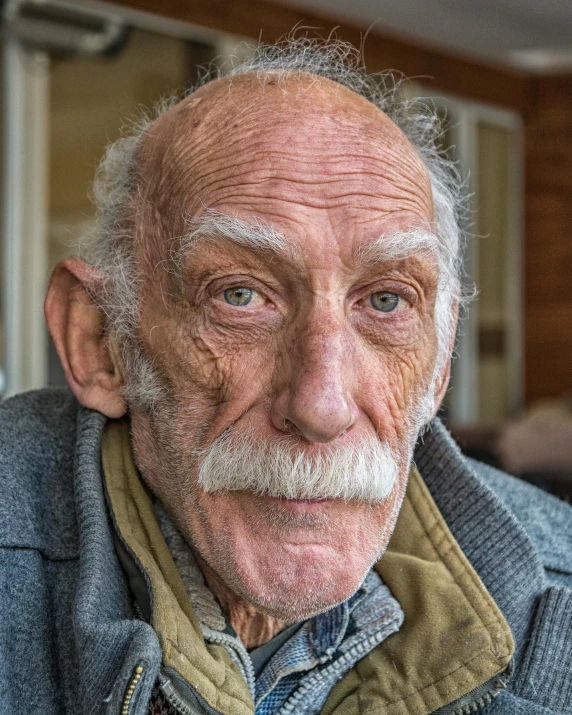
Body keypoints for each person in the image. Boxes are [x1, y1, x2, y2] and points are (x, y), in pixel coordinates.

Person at [1, 39, 571, 715]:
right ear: (100, 341)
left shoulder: (555, 589)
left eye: (386, 301)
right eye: (240, 295)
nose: (322, 405)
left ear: (439, 364)